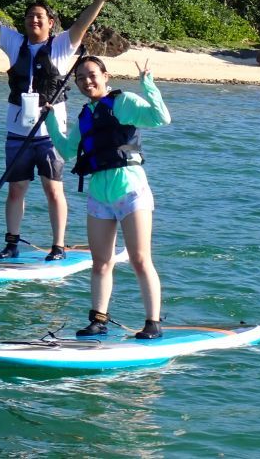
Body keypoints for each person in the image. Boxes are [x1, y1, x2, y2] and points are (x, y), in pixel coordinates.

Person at [0, 0, 122, 261]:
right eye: (29, 17)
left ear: (51, 23)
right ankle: (11, 243)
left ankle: (58, 246)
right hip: (17, 132)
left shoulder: (63, 46)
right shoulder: (15, 44)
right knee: (16, 190)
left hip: (50, 135)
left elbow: (83, 23)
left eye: (39, 17)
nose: (33, 21)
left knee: (53, 191)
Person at [44, 56, 171, 339]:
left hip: (131, 190)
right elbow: (66, 150)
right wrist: (51, 119)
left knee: (139, 258)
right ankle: (98, 320)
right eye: (80, 78)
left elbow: (161, 117)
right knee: (101, 262)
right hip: (99, 194)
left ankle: (152, 322)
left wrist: (148, 84)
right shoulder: (85, 115)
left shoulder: (123, 102)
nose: (87, 82)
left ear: (105, 76)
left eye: (92, 75)